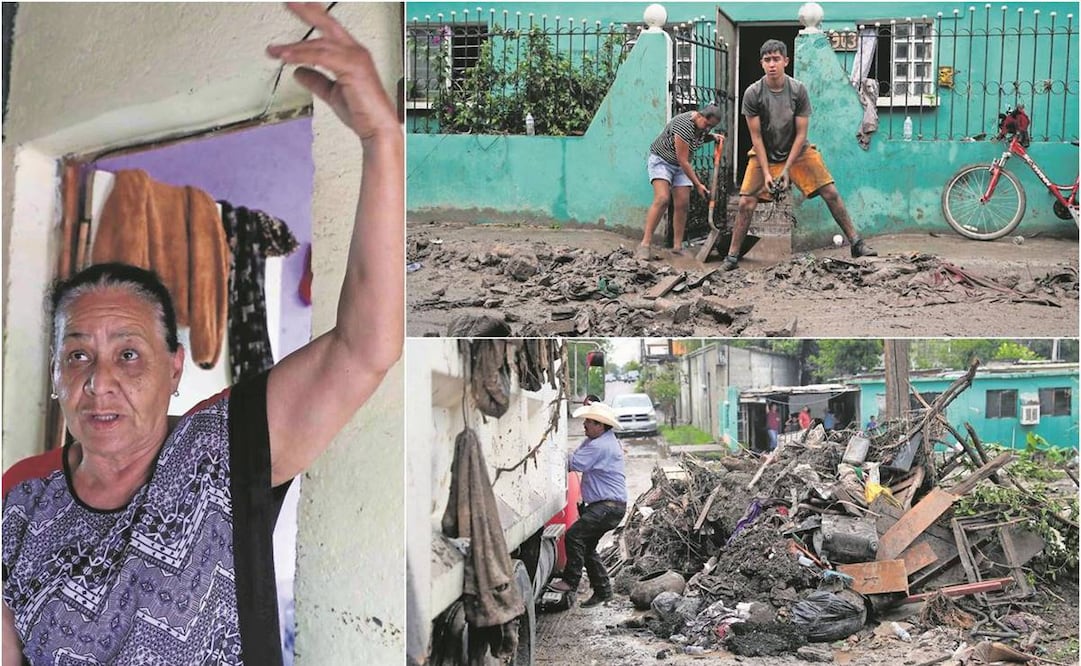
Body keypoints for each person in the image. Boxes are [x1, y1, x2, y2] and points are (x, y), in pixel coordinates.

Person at [1, 5, 403, 665]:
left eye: (128, 355)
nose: (99, 381)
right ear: (56, 374)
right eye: (77, 356)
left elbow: (366, 346)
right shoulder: (21, 497)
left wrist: (382, 142)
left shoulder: (218, 451)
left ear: (175, 366)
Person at [721, 39, 877, 272]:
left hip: (798, 150)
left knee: (830, 192)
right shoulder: (753, 93)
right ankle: (732, 257)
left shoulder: (797, 90)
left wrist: (786, 171)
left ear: (786, 61)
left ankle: (856, 242)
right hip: (764, 153)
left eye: (776, 59)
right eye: (767, 60)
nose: (772, 64)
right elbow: (756, 138)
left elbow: (801, 134)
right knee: (745, 202)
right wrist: (766, 173)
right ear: (761, 63)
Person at [548, 402, 627, 608]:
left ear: (600, 426)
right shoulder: (600, 440)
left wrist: (547, 453)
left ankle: (570, 581)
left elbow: (574, 463)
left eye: (589, 422)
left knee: (574, 536)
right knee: (588, 548)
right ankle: (603, 591)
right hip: (607, 506)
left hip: (607, 507)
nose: (584, 425)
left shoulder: (601, 446)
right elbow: (577, 455)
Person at [638, 104, 724, 260]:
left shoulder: (702, 127)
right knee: (663, 199)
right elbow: (683, 160)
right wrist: (698, 184)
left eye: (711, 127)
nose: (708, 128)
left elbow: (698, 138)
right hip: (662, 161)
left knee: (683, 203)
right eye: (707, 124)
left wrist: (712, 137)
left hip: (679, 166)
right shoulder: (683, 124)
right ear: (699, 115)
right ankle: (645, 244)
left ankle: (677, 247)